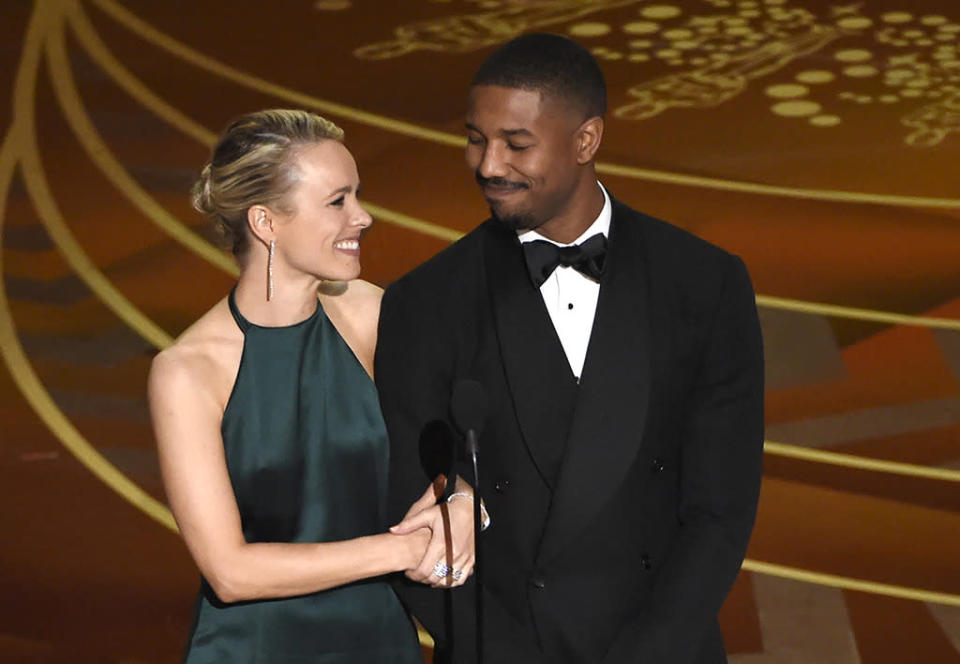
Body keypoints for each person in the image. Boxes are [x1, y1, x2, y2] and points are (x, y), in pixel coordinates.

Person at [376, 34, 765, 663]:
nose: (488, 165)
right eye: (476, 138)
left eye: (516, 144)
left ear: (586, 140)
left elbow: (720, 510)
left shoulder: (705, 283)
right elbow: (403, 516)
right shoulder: (427, 301)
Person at [147, 109, 470, 663]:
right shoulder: (188, 371)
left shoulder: (370, 313)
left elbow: (473, 435)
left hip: (383, 644)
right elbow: (230, 572)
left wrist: (464, 498)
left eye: (357, 196)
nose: (363, 217)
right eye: (337, 201)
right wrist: (406, 549)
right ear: (266, 223)